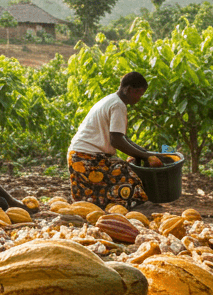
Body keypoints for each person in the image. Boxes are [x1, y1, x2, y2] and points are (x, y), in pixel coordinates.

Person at [66, 71, 156, 208]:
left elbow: (122, 137)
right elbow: (116, 141)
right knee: (127, 177)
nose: (139, 97)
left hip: (79, 156)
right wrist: (145, 156)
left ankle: (113, 210)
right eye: (138, 92)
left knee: (92, 201)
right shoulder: (118, 105)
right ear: (128, 89)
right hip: (86, 158)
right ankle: (137, 208)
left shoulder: (112, 100)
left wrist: (143, 152)